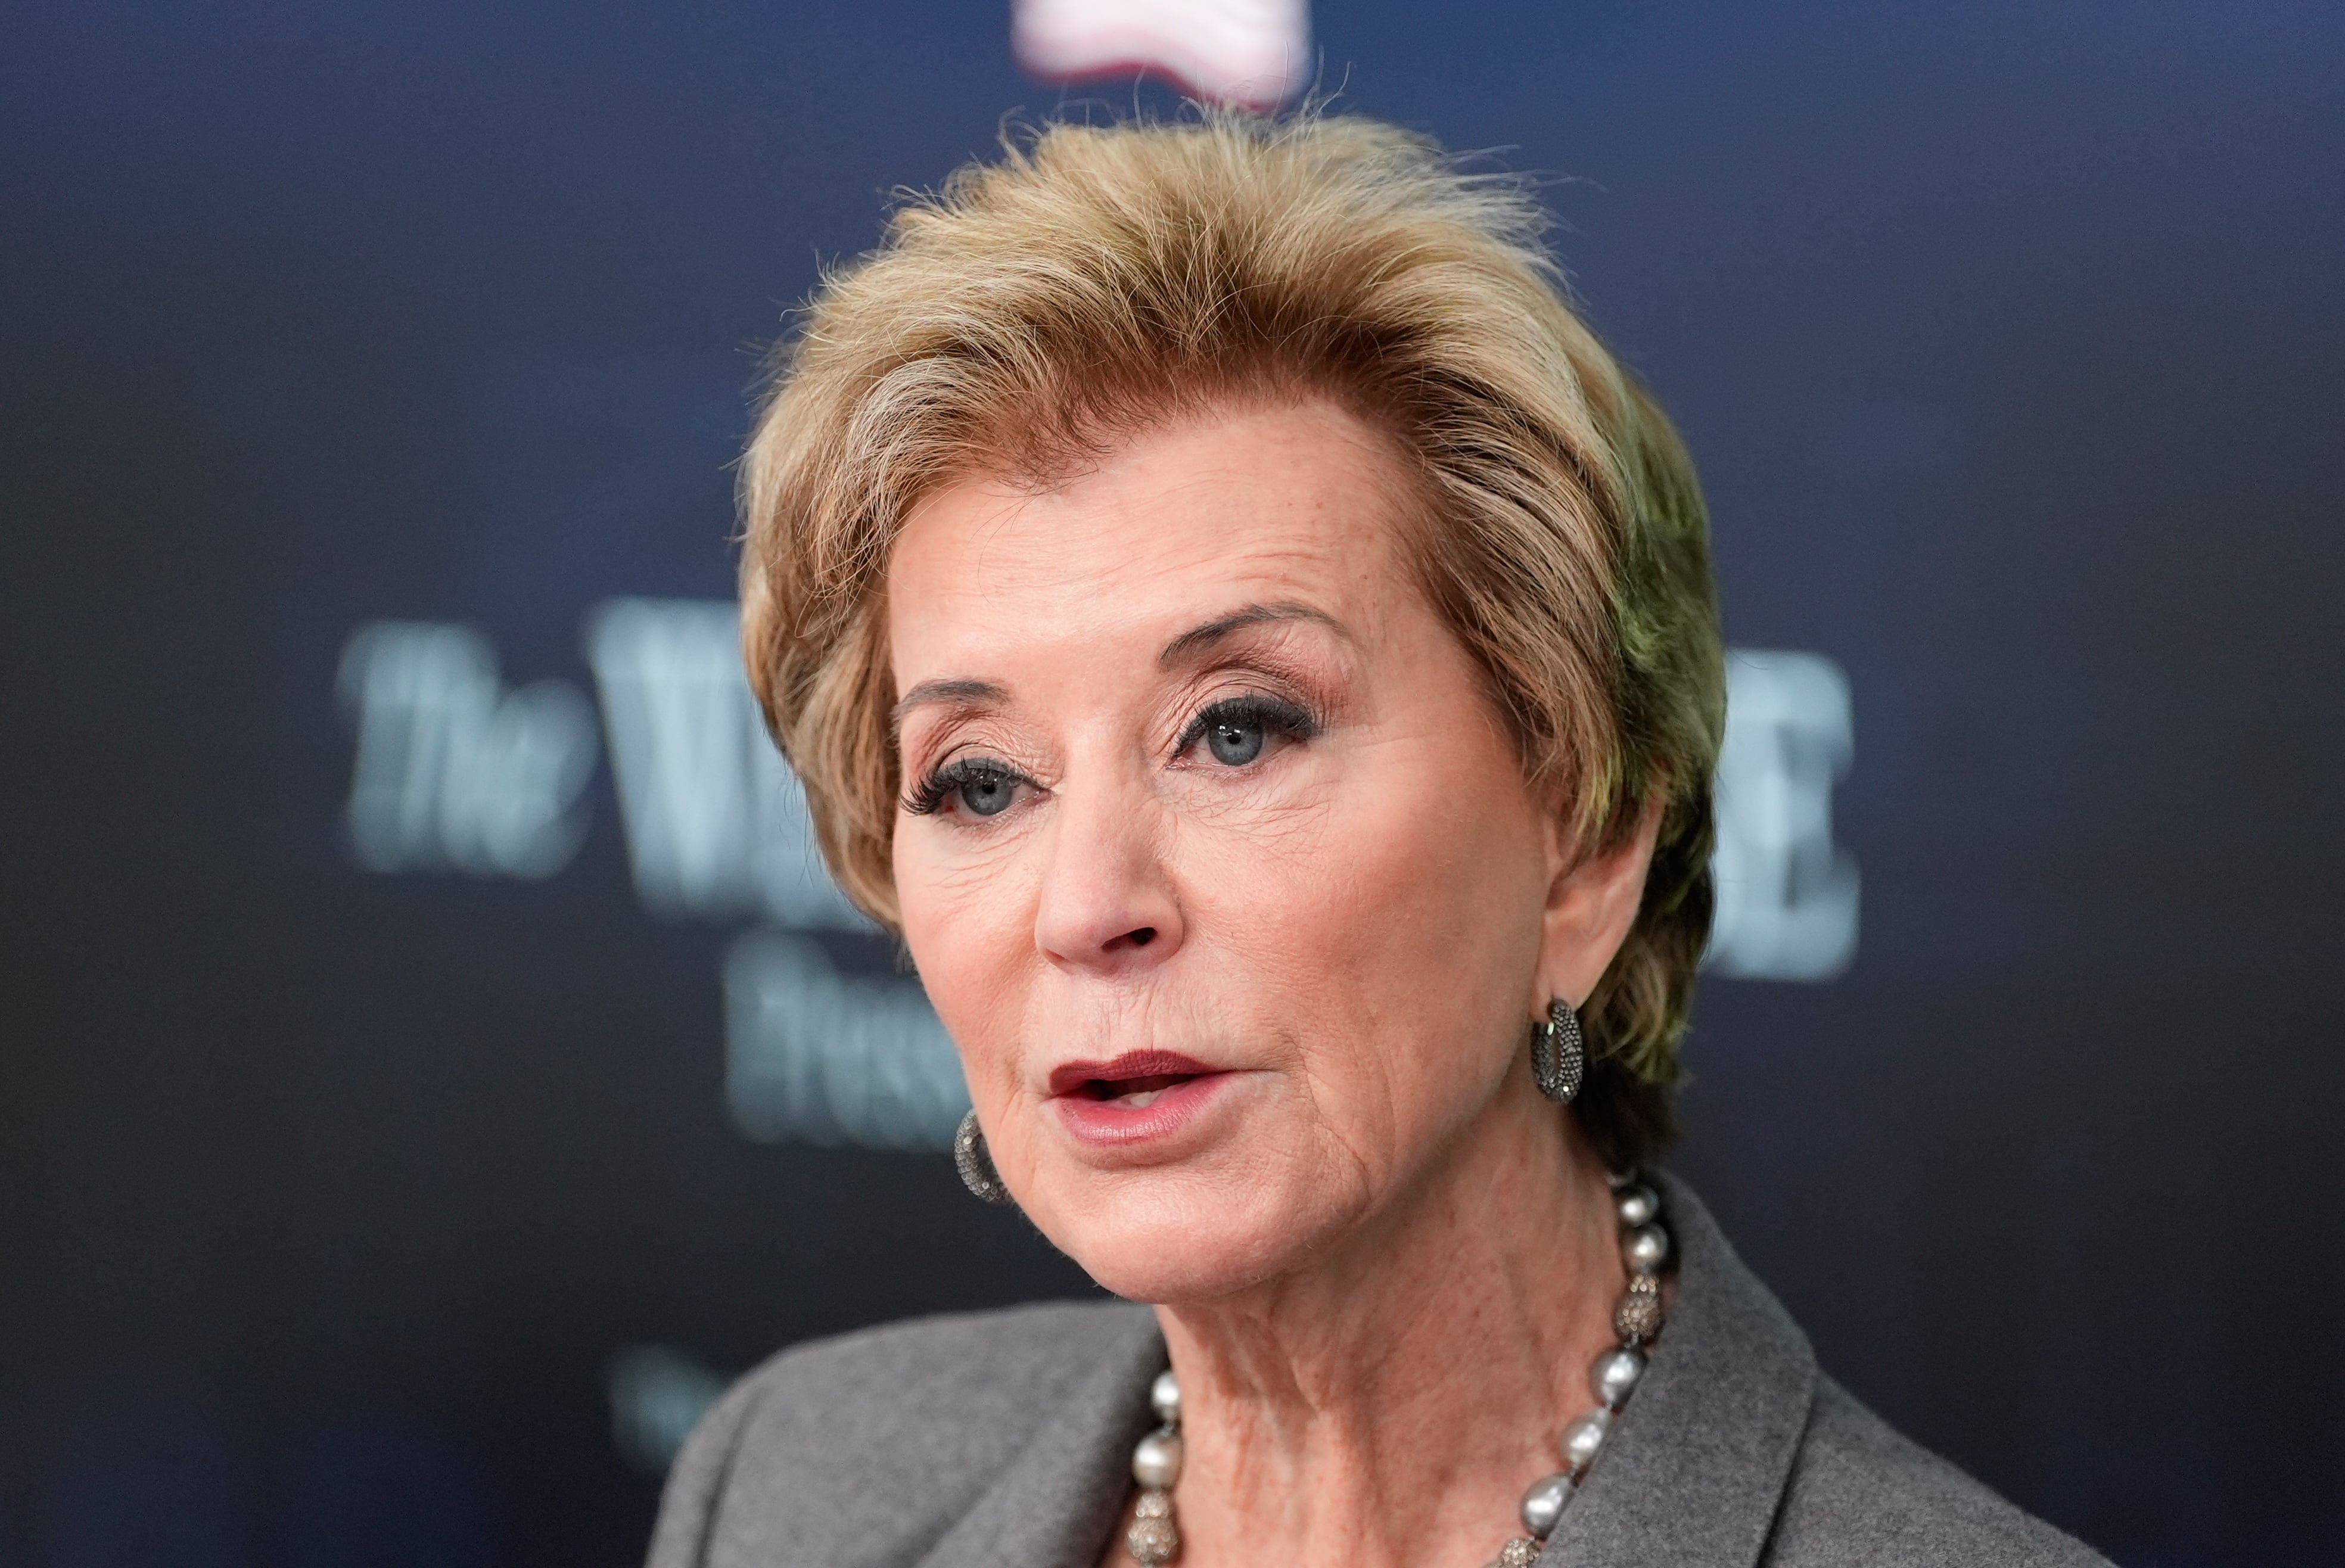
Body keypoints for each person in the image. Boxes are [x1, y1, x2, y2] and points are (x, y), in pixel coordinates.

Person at [648, 111, 2108, 1568]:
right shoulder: (789, 1485)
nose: (1088, 905)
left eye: (1237, 729)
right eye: (978, 781)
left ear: (1586, 838)